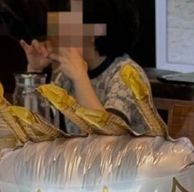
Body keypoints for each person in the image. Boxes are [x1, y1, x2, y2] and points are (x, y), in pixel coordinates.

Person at [21, 0, 150, 134]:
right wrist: (35, 72)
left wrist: (80, 77)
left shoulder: (128, 74)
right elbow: (38, 128)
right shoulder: (66, 75)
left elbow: (111, 139)